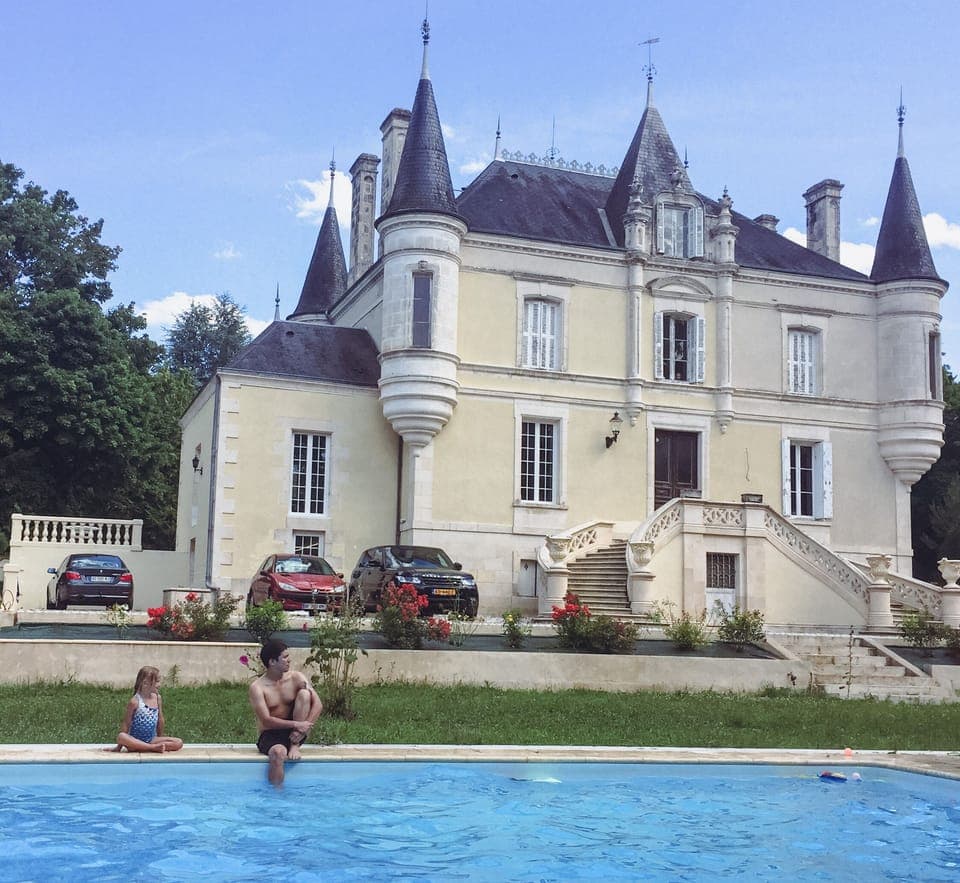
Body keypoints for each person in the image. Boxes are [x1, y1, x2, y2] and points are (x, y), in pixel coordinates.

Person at [249, 638, 323, 785]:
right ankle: (276, 797)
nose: (289, 660)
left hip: (296, 732)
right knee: (278, 754)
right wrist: (297, 725)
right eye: (285, 657)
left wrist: (302, 730)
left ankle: (294, 746)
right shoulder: (258, 688)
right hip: (270, 734)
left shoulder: (297, 678)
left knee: (305, 694)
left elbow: (318, 704)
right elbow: (266, 720)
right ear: (272, 662)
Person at [110, 665, 184, 753]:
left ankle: (150, 747)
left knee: (178, 742)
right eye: (156, 682)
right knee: (121, 736)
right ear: (145, 683)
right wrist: (119, 747)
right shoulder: (135, 701)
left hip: (151, 739)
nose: (159, 685)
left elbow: (160, 720)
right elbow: (126, 723)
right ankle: (151, 748)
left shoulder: (157, 698)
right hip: (134, 741)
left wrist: (160, 738)